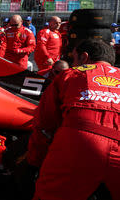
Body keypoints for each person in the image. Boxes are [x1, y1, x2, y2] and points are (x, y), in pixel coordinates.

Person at [27, 39, 120, 200]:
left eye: (74, 59)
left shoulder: (70, 74)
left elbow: (44, 125)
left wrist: (34, 162)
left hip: (79, 142)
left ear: (84, 57)